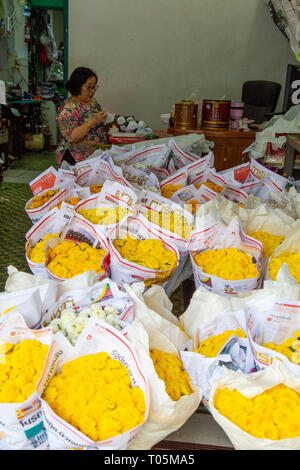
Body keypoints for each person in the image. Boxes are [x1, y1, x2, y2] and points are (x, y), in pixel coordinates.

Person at [56, 66, 108, 168]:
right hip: (75, 158)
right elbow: (72, 137)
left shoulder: (93, 102)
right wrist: (93, 121)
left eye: (94, 87)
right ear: (78, 86)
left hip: (95, 155)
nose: (92, 91)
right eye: (89, 87)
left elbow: (97, 124)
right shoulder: (68, 108)